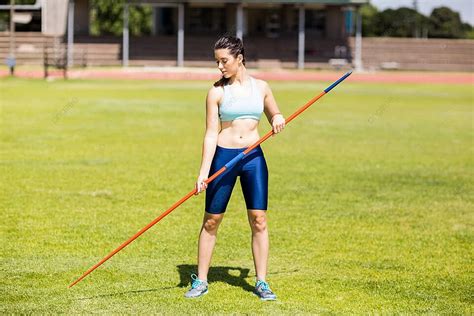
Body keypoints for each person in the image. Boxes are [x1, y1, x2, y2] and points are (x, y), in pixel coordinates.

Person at [184, 36, 285, 301]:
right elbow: (209, 134)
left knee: (259, 220)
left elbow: (274, 113)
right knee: (211, 220)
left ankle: (262, 282)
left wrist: (278, 118)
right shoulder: (216, 92)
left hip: (253, 158)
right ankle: (201, 280)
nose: (219, 67)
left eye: (224, 61)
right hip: (223, 157)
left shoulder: (261, 88)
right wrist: (203, 173)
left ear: (239, 58)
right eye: (217, 61)